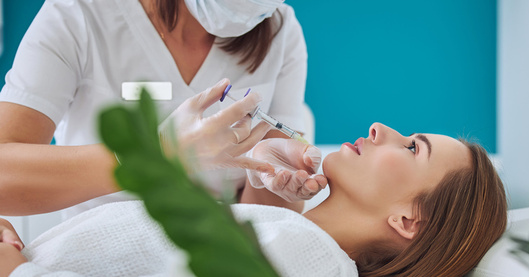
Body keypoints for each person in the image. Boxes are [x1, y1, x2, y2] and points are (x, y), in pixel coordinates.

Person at [0, 122, 507, 277]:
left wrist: (13, 276)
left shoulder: (309, 261)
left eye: (411, 147)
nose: (381, 128)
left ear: (408, 221)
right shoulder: (296, 241)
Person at [0, 0, 312, 217]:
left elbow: (273, 222)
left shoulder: (281, 31)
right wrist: (155, 155)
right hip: (100, 256)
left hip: (219, 268)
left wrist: (270, 178)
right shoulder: (77, 15)